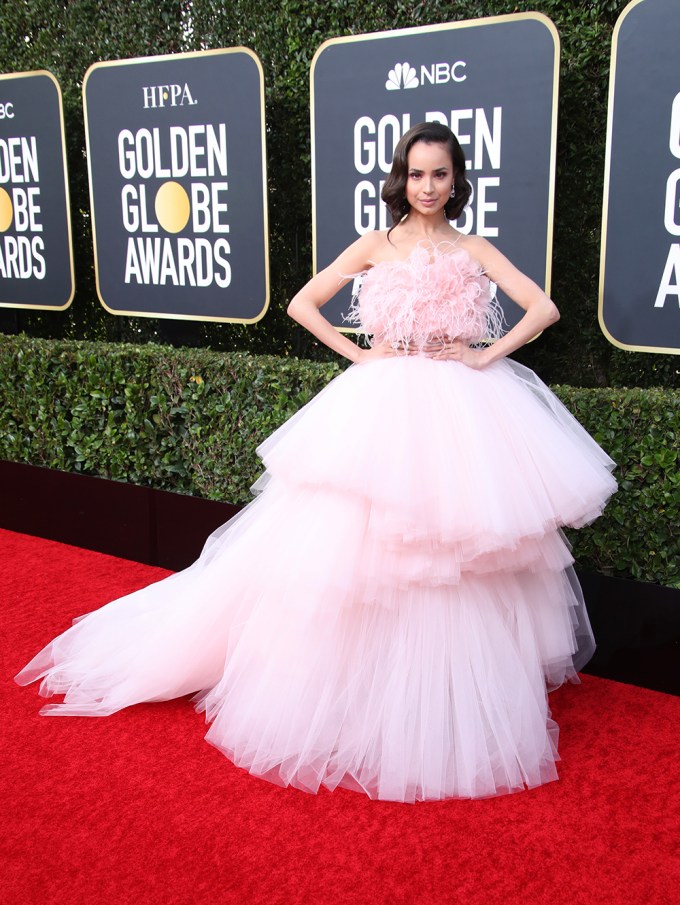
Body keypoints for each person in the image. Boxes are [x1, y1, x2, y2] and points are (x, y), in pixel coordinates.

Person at [16, 122, 617, 803]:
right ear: (401, 178)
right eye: (417, 174)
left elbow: (545, 306)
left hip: (463, 410)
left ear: (456, 181)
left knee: (456, 549)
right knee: (357, 548)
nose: (427, 187)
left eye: (440, 175)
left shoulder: (473, 246)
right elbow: (304, 302)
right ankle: (358, 689)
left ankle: (440, 697)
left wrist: (482, 354)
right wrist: (362, 355)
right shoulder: (373, 245)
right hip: (382, 403)